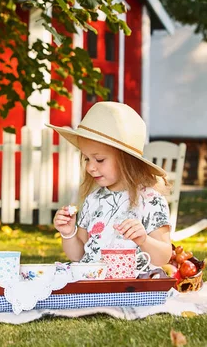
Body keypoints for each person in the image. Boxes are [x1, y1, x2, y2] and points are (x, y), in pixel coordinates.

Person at [47, 102, 172, 268]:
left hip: (130, 286)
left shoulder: (150, 199)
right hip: (93, 284)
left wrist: (144, 240)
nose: (90, 167)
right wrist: (68, 233)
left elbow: (163, 256)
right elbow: (78, 256)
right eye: (86, 159)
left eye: (99, 160)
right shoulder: (93, 200)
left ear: (126, 160)